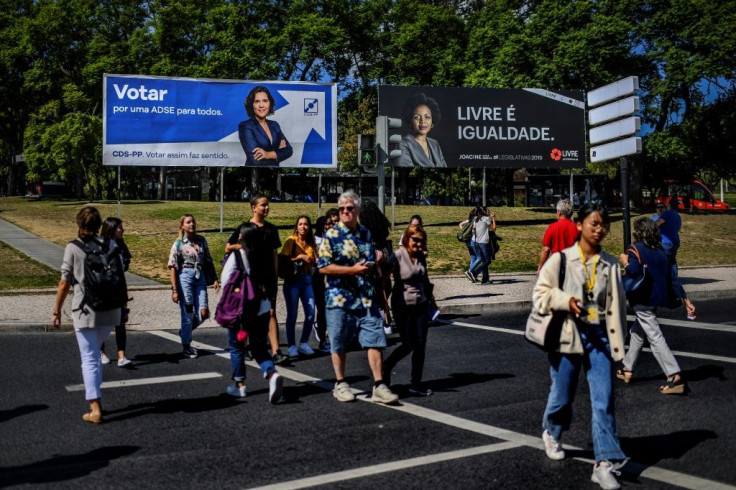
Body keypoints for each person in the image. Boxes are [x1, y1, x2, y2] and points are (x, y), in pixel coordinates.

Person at [533, 203, 628, 490]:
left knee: (604, 398)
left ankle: (604, 463)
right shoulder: (560, 261)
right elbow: (540, 294)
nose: (599, 229)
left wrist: (620, 351)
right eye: (593, 223)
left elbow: (618, 308)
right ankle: (552, 431)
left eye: (603, 224)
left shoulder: (611, 263)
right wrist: (565, 301)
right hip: (567, 334)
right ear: (579, 225)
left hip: (600, 337)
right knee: (563, 394)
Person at [317, 191, 399, 405]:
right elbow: (324, 267)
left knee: (375, 338)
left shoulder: (366, 234)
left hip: (366, 298)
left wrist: (379, 290)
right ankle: (341, 383)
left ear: (358, 210)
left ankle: (379, 385)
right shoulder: (332, 235)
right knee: (339, 341)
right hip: (340, 299)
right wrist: (351, 270)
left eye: (350, 208)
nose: (345, 212)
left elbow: (369, 263)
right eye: (342, 208)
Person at [51, 206, 125, 424]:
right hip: (111, 310)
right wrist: (123, 307)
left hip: (85, 310)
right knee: (94, 355)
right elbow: (120, 277)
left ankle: (95, 407)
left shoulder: (73, 248)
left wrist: (56, 310)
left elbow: (65, 282)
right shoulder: (111, 244)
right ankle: (96, 399)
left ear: (79, 224)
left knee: (89, 358)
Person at [617, 217, 687, 394]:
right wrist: (685, 298)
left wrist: (624, 261)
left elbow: (632, 270)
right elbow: (672, 278)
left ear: (638, 232)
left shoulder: (635, 249)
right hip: (656, 299)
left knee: (655, 337)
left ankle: (674, 375)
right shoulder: (661, 251)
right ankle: (627, 368)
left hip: (641, 300)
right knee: (637, 333)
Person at [221, 222, 284, 403]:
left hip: (241, 310)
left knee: (236, 346)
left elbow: (226, 282)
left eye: (240, 234)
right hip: (262, 308)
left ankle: (239, 385)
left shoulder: (237, 257)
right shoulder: (263, 257)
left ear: (244, 237)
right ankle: (271, 373)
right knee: (259, 347)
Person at [226, 195, 286, 364]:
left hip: (267, 280)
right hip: (248, 280)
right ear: (253, 207)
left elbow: (275, 256)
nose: (266, 208)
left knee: (271, 313)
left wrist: (274, 279)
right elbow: (228, 246)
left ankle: (276, 351)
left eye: (268, 205)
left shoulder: (271, 229)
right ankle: (243, 346)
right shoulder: (245, 228)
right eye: (263, 205)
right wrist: (244, 246)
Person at [382, 224, 433, 396]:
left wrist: (431, 301)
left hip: (421, 305)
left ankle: (416, 383)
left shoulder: (420, 256)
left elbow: (425, 280)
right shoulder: (396, 256)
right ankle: (387, 366)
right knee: (408, 343)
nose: (418, 244)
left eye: (421, 241)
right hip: (402, 306)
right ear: (406, 238)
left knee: (420, 345)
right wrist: (383, 303)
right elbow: (383, 280)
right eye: (415, 240)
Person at [167, 214, 220, 359]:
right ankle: (186, 345)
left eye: (193, 222)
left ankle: (185, 330)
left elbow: (208, 259)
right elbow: (172, 265)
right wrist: (175, 290)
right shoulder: (179, 243)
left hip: (200, 276)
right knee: (188, 312)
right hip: (185, 277)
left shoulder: (201, 240)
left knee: (204, 313)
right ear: (182, 226)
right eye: (188, 222)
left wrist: (215, 278)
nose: (192, 224)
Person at [280, 215, 317, 358]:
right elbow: (283, 259)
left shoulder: (311, 243)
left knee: (310, 313)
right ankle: (291, 346)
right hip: (293, 280)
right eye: (300, 224)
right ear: (296, 227)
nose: (303, 227)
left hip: (307, 279)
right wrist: (300, 257)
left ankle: (304, 342)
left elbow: (315, 260)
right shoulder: (291, 241)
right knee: (293, 314)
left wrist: (312, 261)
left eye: (306, 224)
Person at [655, 200, 697, 318]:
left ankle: (665, 296)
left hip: (665, 243)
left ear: (668, 205)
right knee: (672, 268)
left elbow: (657, 223)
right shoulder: (677, 216)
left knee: (662, 269)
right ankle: (684, 299)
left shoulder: (666, 214)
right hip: (675, 242)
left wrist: (649, 228)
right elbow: (678, 229)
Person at [99, 217, 132, 367]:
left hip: (118, 289)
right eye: (120, 227)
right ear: (112, 229)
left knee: (120, 322)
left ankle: (121, 356)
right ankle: (101, 352)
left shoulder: (121, 247)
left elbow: (123, 270)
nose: (123, 230)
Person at [359, 199, 394, 333]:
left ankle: (381, 319)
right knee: (384, 285)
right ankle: (386, 317)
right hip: (385, 252)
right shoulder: (382, 222)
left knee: (375, 287)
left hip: (374, 254)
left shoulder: (365, 226)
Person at [238, 85, 293, 167]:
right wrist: (278, 152)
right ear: (251, 104)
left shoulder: (274, 125)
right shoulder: (245, 126)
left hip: (274, 174)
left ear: (270, 103)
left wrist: (267, 154)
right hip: (254, 175)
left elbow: (289, 150)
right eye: (256, 101)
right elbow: (255, 160)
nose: (261, 105)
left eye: (265, 101)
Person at [397, 93, 447, 168]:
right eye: (417, 117)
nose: (422, 121)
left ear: (432, 122)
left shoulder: (435, 144)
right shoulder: (403, 144)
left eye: (427, 117)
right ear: (410, 120)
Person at [312, 213, 337, 352]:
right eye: (327, 224)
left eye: (331, 224)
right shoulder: (316, 240)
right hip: (319, 278)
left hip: (332, 278)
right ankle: (322, 340)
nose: (329, 226)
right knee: (322, 309)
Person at [538, 199, 578, 274]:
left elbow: (546, 250)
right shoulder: (578, 229)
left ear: (559, 212)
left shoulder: (552, 227)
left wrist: (540, 266)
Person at [470, 206, 497, 284]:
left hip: (476, 242)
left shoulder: (476, 219)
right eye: (488, 210)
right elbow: (494, 229)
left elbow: (473, 230)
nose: (489, 211)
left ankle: (485, 278)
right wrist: (494, 218)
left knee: (483, 260)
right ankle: (475, 273)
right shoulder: (486, 219)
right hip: (484, 242)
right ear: (484, 211)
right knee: (488, 260)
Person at [460, 207, 479, 283]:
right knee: (478, 257)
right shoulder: (475, 221)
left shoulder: (469, 221)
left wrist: (464, 232)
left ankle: (472, 275)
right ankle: (470, 272)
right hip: (472, 240)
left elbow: (460, 224)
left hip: (467, 241)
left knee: (473, 258)